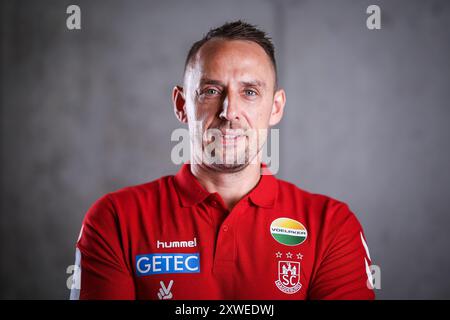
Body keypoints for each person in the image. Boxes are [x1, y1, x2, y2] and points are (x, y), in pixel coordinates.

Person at [70, 20, 375, 300]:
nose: (229, 111)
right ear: (181, 104)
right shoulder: (115, 220)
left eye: (250, 92)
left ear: (276, 107)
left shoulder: (332, 226)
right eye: (211, 90)